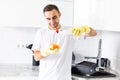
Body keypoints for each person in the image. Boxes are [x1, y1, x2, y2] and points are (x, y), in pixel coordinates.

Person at [32, 4, 97, 80]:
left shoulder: (70, 31)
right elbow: (36, 57)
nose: (52, 21)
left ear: (59, 14)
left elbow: (94, 33)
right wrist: (46, 51)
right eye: (48, 19)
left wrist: (85, 29)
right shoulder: (41, 32)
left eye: (54, 17)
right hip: (45, 77)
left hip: (64, 78)